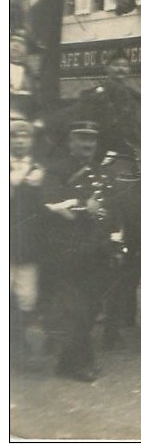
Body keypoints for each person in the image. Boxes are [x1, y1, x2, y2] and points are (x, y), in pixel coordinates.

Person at [41, 120, 126, 382]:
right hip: (68, 252)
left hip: (97, 252)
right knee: (77, 309)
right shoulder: (56, 171)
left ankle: (67, 363)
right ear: (70, 142)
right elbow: (49, 203)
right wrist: (81, 203)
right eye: (81, 139)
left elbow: (113, 213)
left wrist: (116, 244)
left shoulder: (102, 173)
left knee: (89, 308)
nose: (88, 144)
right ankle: (81, 362)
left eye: (91, 140)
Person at [10, 117, 45, 363]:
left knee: (26, 295)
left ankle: (19, 345)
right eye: (13, 136)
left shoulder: (39, 171)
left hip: (28, 245)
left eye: (24, 136)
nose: (19, 141)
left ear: (31, 141)